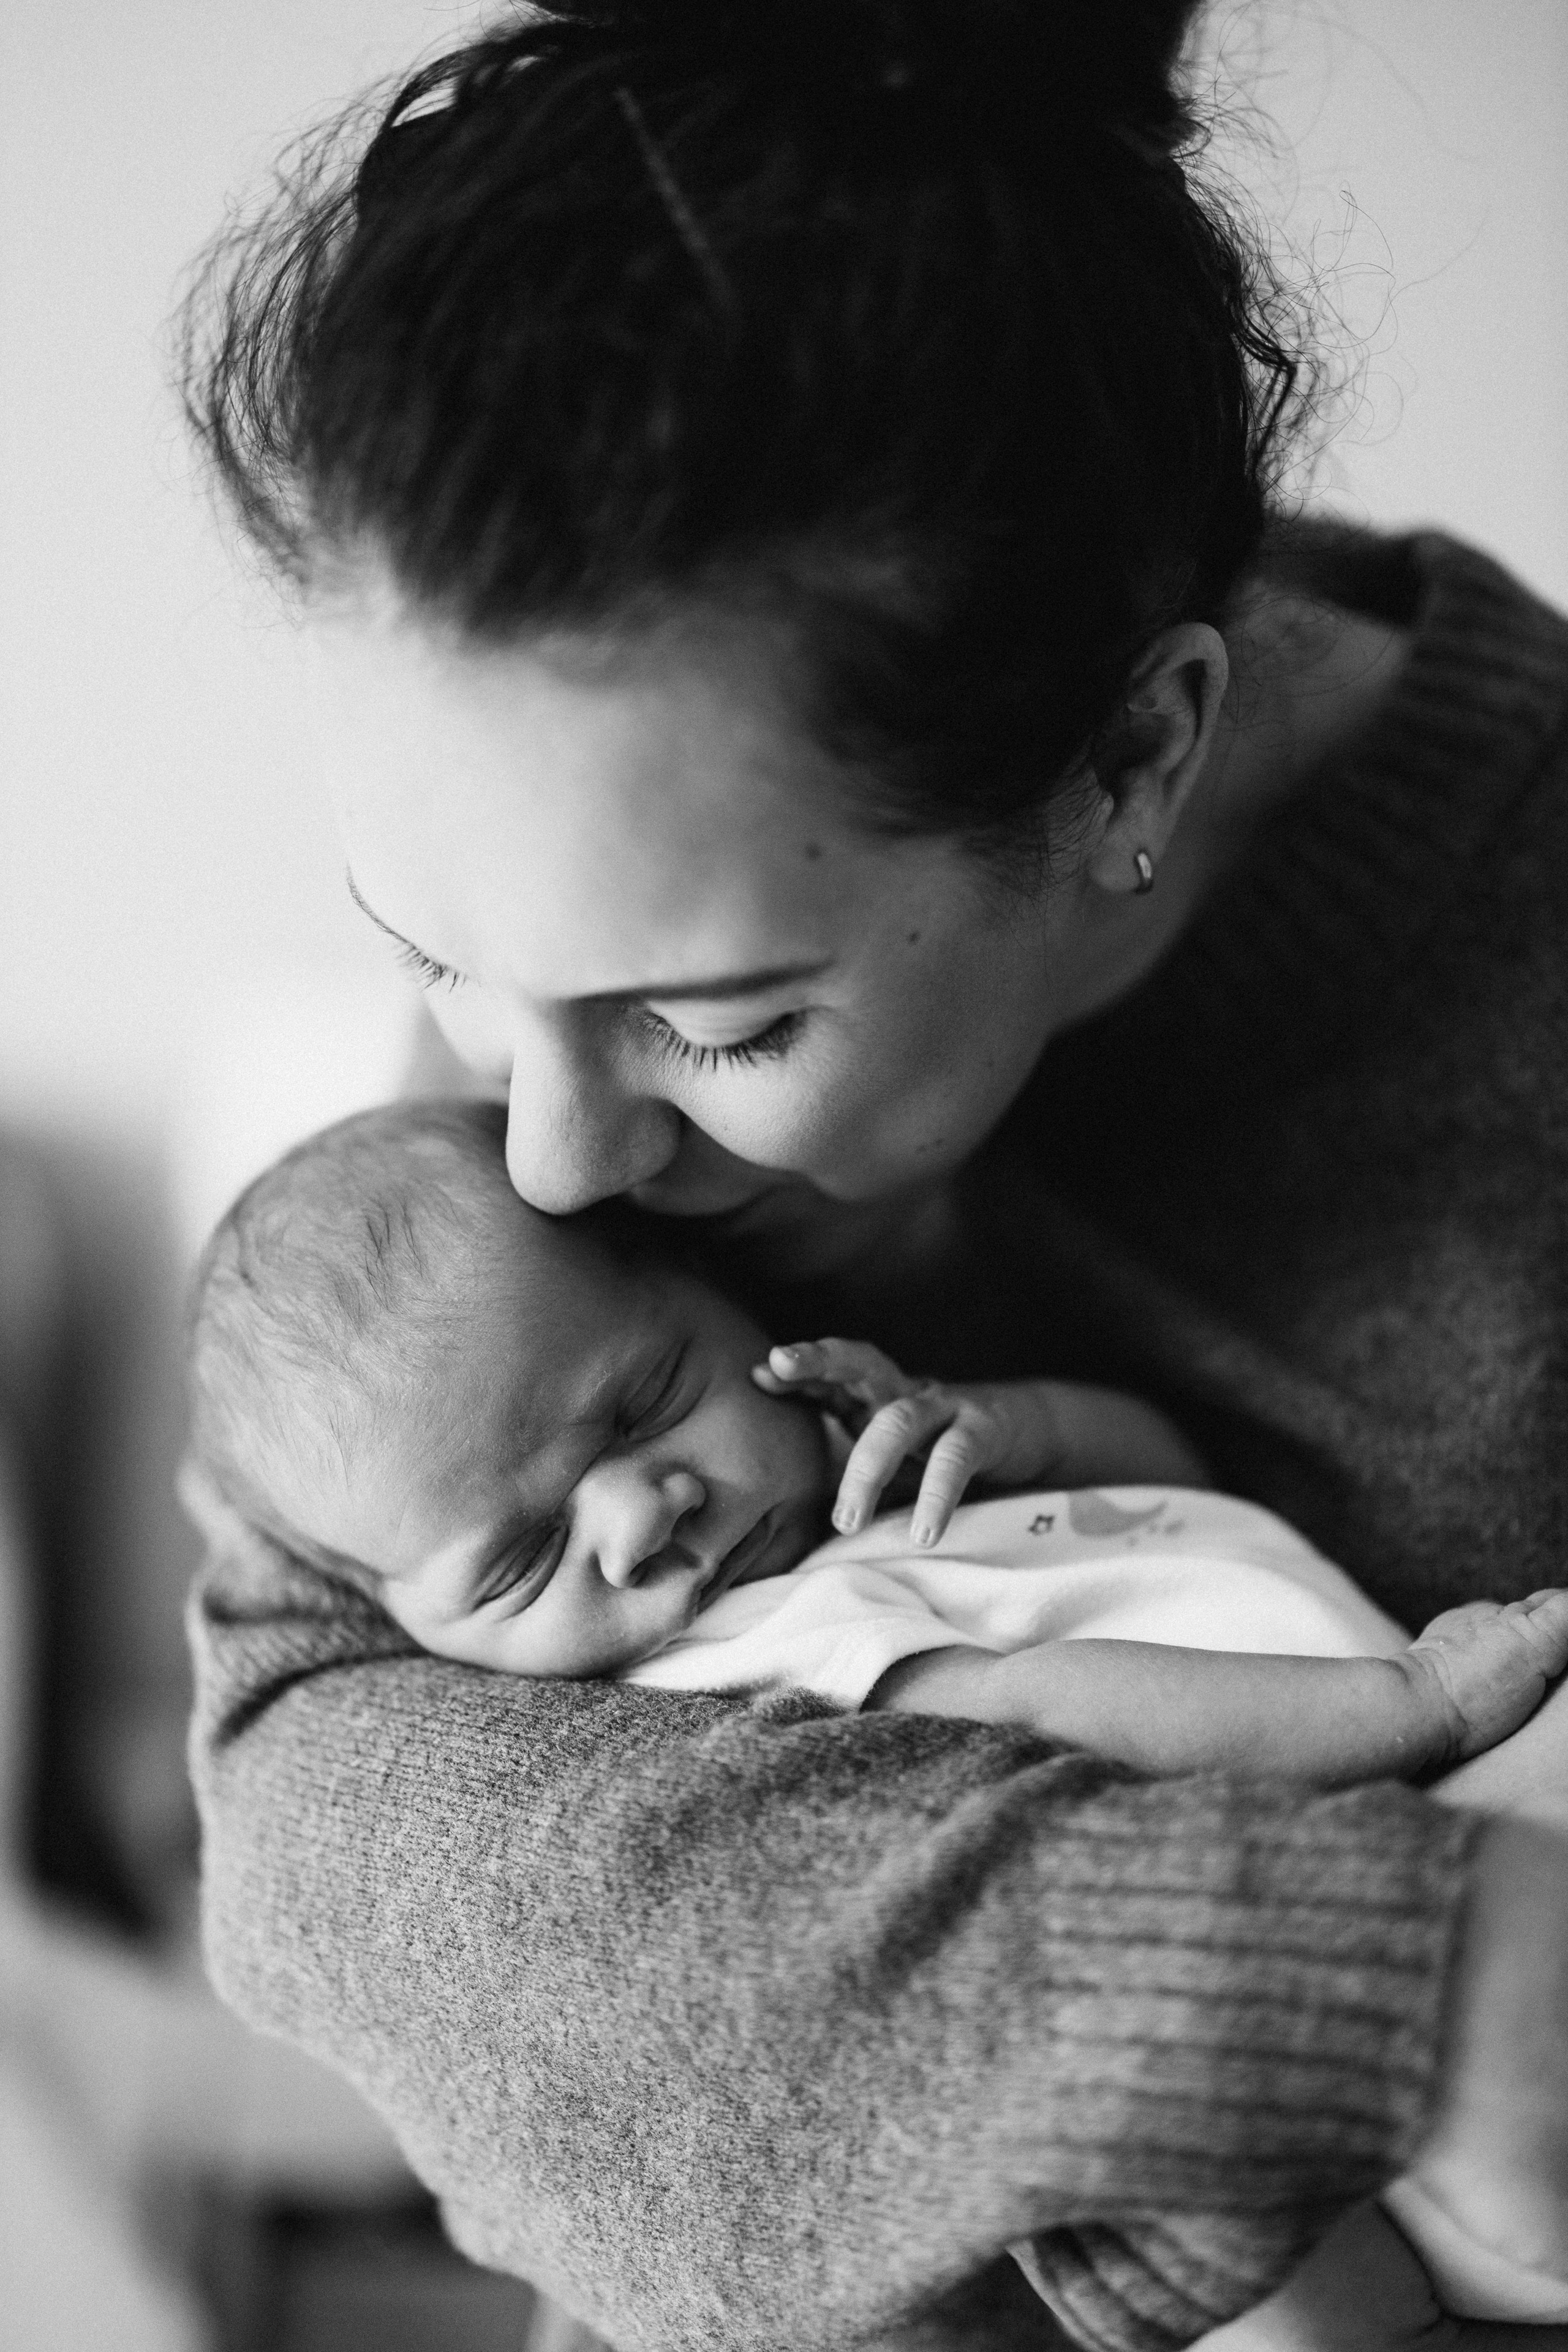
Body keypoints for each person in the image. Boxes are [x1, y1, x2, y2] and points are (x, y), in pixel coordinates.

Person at [177, 2, 1568, 2346]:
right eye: (436, 960)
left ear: (1140, 752)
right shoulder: (558, 1007)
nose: (548, 1144)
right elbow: (325, 1829)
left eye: (716, 1021)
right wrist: (1402, 1990)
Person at [184, 1095, 1568, 2328]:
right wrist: (1412, 1703)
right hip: (1337, 1907)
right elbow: (1057, 1711)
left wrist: (1015, 1426)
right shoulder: (748, 1657)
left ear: (726, 1303)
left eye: (644, 1403)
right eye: (519, 1561)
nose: (631, 1518)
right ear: (406, 1629)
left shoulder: (864, 1462)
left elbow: (1169, 1490)